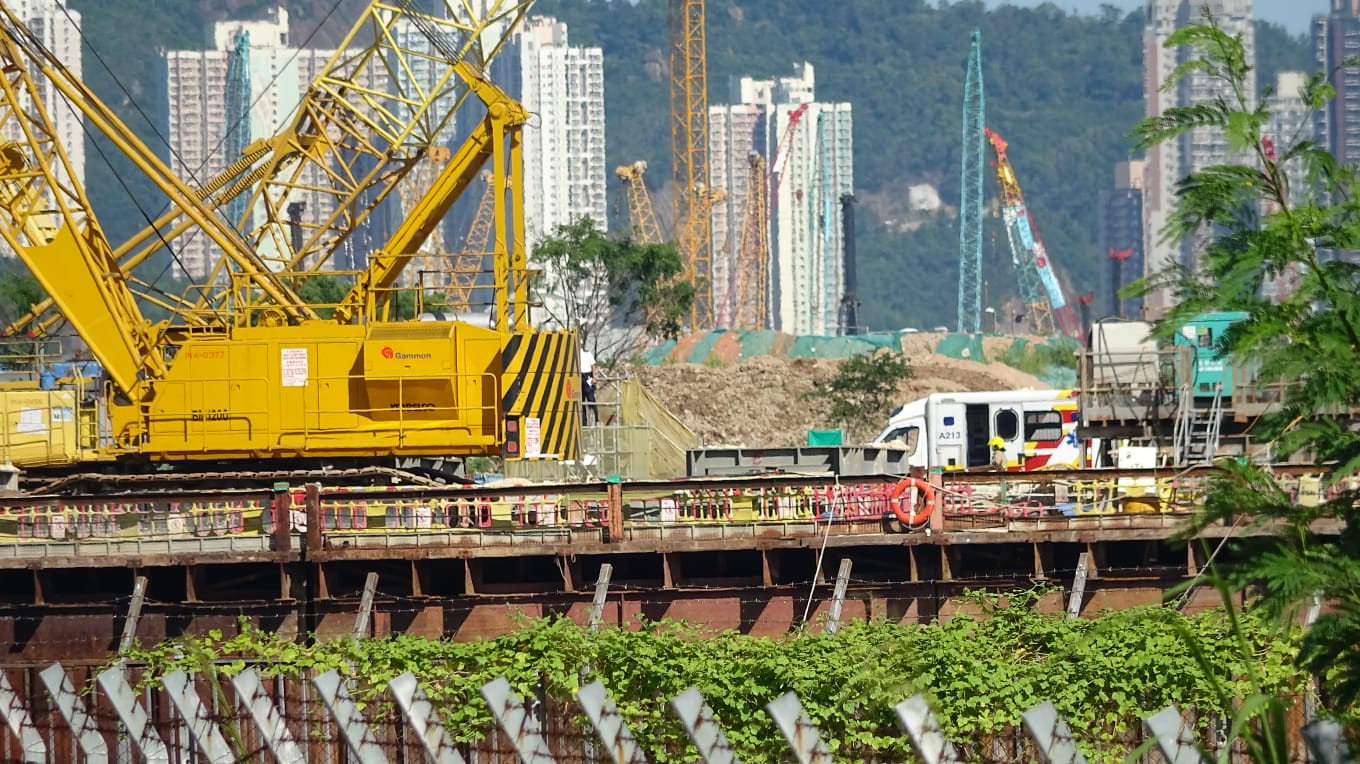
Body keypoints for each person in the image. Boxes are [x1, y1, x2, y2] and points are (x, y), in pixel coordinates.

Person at [580, 347, 597, 425]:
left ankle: (595, 420)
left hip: (587, 376)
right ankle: (583, 422)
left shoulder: (587, 353)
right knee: (581, 400)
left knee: (591, 398)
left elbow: (593, 365)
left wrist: (594, 377)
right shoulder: (573, 353)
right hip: (578, 376)